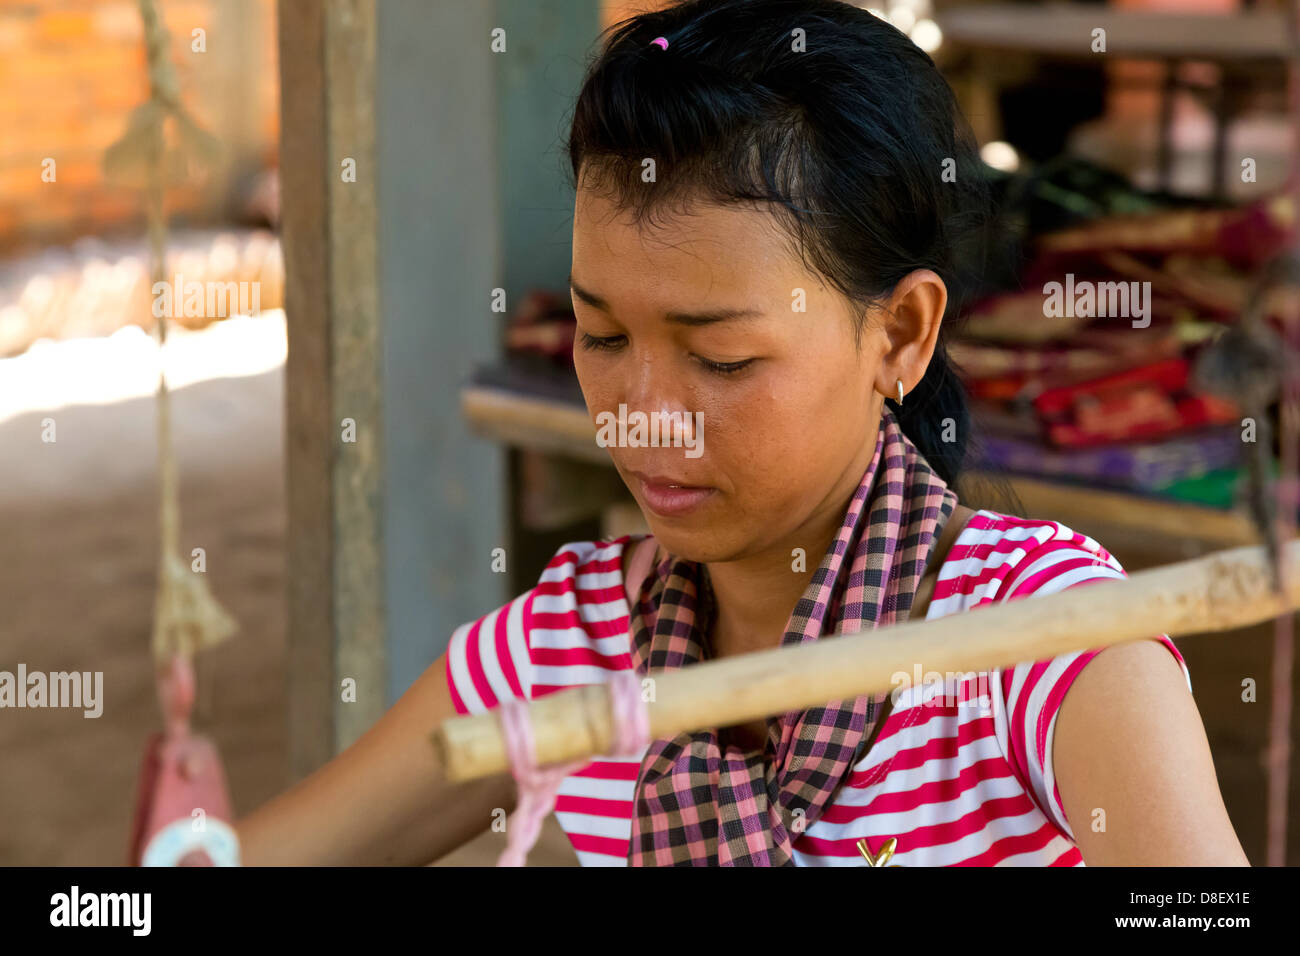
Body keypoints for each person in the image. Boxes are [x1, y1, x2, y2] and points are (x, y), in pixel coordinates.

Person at [235, 0, 1248, 866]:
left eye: (719, 358)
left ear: (898, 334)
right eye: (599, 334)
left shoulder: (1041, 639)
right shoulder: (575, 647)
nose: (637, 409)